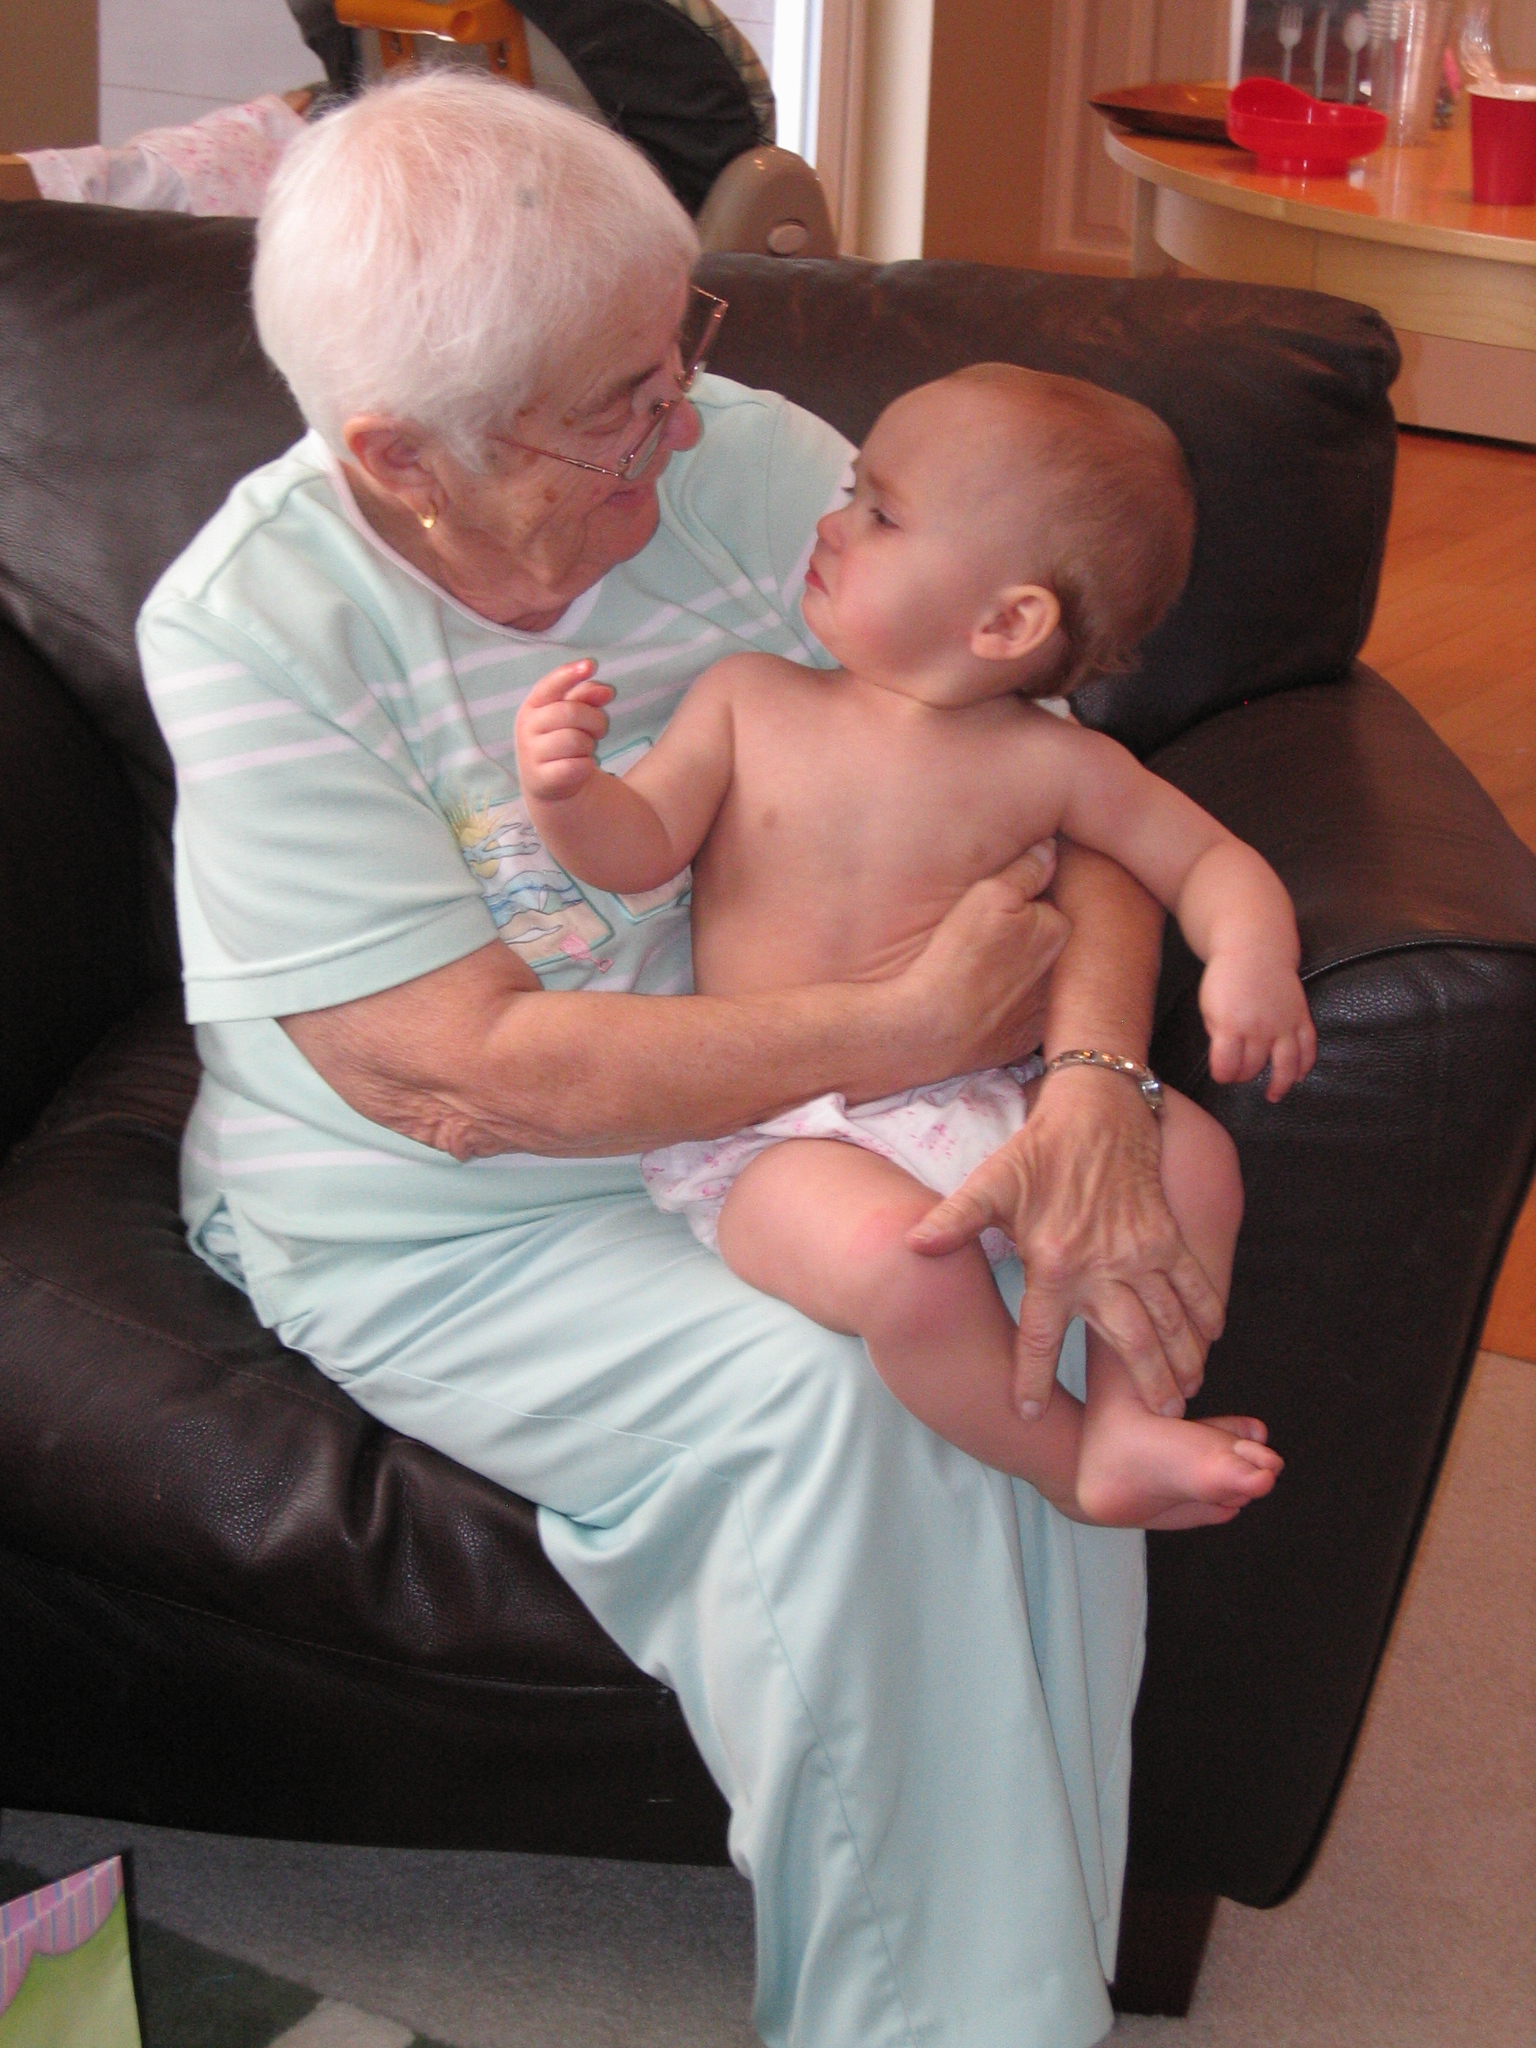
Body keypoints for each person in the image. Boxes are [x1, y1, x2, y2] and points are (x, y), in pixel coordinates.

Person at [139, 69, 1233, 2048]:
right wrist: (904, 1027)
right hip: (446, 1213)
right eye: (614, 411)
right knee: (841, 1406)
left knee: (1057, 1298)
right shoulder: (258, 629)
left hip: (813, 1130)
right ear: (398, 452)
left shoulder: (749, 464)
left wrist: (1092, 1085)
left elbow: (1075, 802)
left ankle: (1010, 2004)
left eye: (678, 353)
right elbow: (460, 1078)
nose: (689, 431)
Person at [514, 364, 1309, 1529]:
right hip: (771, 1134)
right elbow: (635, 849)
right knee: (901, 1261)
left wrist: (1253, 954)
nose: (832, 524)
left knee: (1191, 1155)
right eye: (852, 490)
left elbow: (1205, 861)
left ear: (1007, 622)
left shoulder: (1057, 762)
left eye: (880, 513)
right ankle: (1060, 1457)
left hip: (990, 1093)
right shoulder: (750, 697)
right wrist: (567, 790)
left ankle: (1139, 1411)